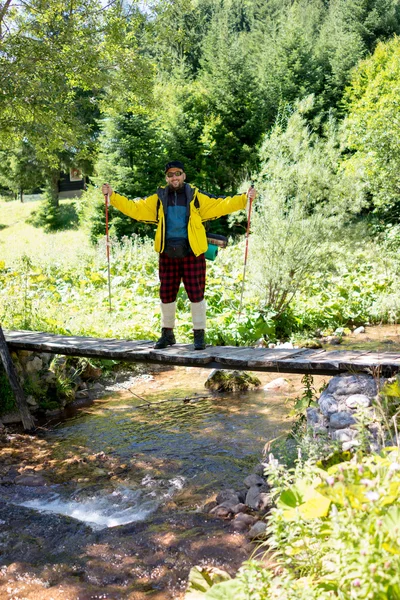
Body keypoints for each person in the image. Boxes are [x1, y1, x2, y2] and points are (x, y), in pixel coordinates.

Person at [102, 161, 256, 350]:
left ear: (184, 176)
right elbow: (135, 208)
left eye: (178, 173)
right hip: (167, 252)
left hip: (192, 252)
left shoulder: (196, 197)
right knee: (166, 294)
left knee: (196, 293)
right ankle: (168, 334)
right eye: (170, 175)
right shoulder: (159, 198)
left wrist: (244, 199)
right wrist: (112, 196)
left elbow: (222, 204)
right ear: (167, 178)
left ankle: (199, 335)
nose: (174, 177)